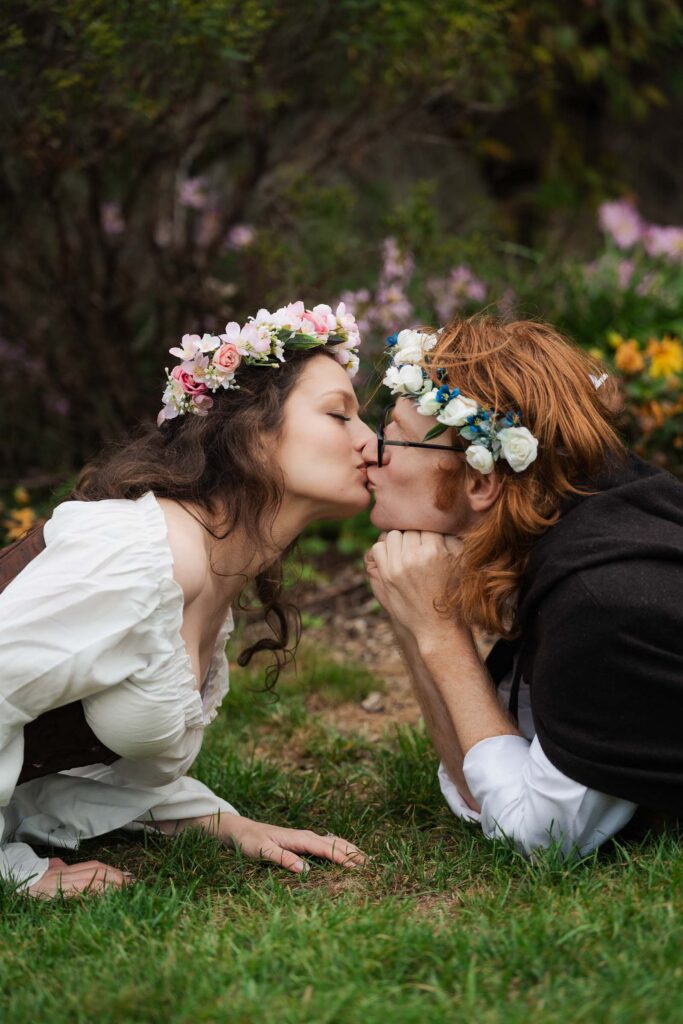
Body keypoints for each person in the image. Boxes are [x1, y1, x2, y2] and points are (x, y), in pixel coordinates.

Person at [0, 300, 372, 897]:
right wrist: (18, 873)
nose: (371, 442)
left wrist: (223, 823)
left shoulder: (210, 572)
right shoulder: (146, 552)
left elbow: (65, 750)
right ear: (253, 434)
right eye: (339, 415)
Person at [363, 317, 683, 858]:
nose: (370, 452)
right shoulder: (570, 533)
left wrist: (441, 635)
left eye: (392, 436)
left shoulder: (606, 600)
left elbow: (542, 837)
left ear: (481, 481)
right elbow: (484, 786)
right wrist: (415, 610)